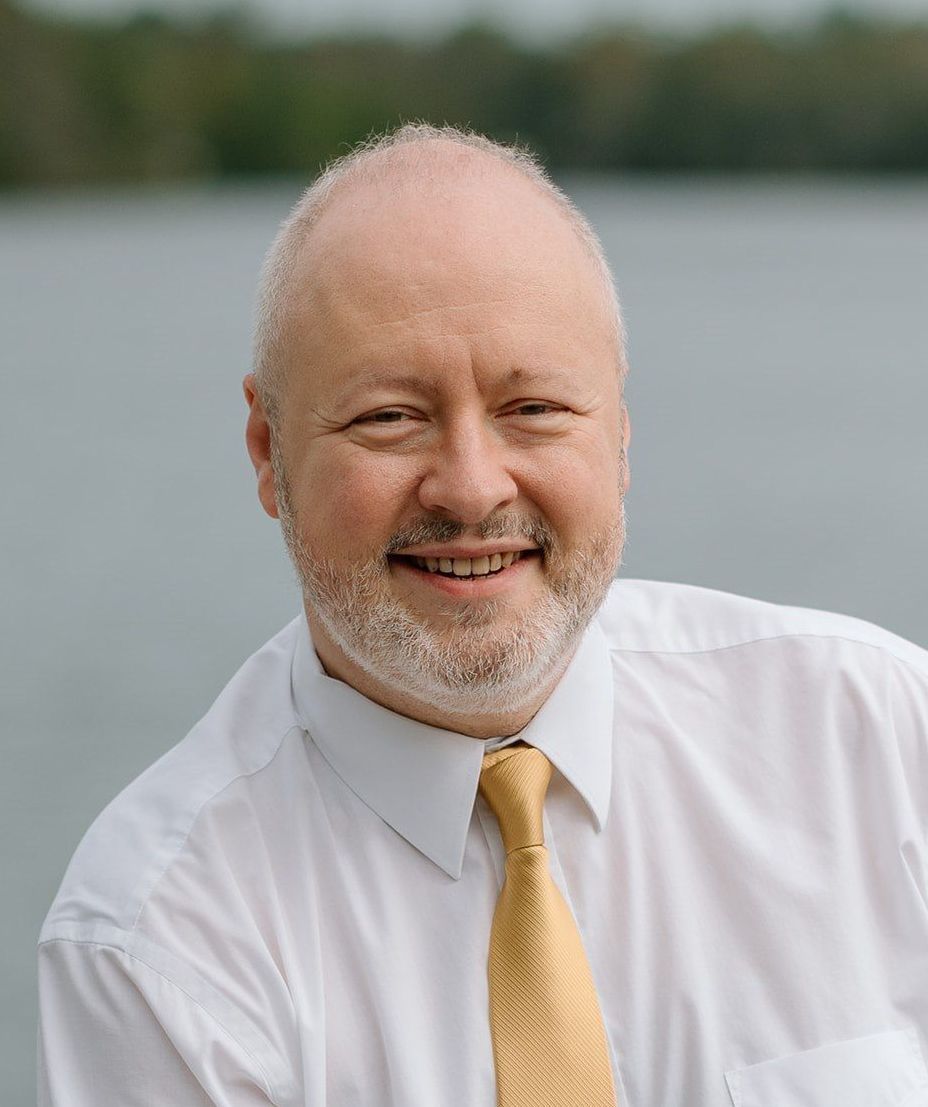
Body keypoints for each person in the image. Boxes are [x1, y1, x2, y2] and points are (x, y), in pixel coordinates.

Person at [37, 124, 928, 1106]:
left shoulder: (879, 737)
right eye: (389, 417)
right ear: (266, 450)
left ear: (620, 431)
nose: (469, 489)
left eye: (535, 407)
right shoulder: (159, 942)